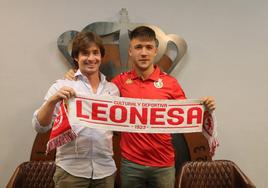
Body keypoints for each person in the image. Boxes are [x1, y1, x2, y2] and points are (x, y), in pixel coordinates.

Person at [65, 26, 216, 188]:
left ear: (155, 51)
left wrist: (205, 107)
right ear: (130, 51)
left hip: (163, 165)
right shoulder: (119, 83)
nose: (143, 53)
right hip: (131, 165)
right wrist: (73, 74)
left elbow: (186, 116)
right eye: (138, 47)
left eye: (148, 47)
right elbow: (94, 99)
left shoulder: (170, 84)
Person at [32, 31, 119, 188]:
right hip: (70, 172)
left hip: (105, 171)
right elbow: (40, 126)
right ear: (76, 57)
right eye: (85, 53)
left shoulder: (113, 90)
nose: (91, 58)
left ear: (101, 56)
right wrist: (52, 101)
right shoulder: (62, 86)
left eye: (95, 53)